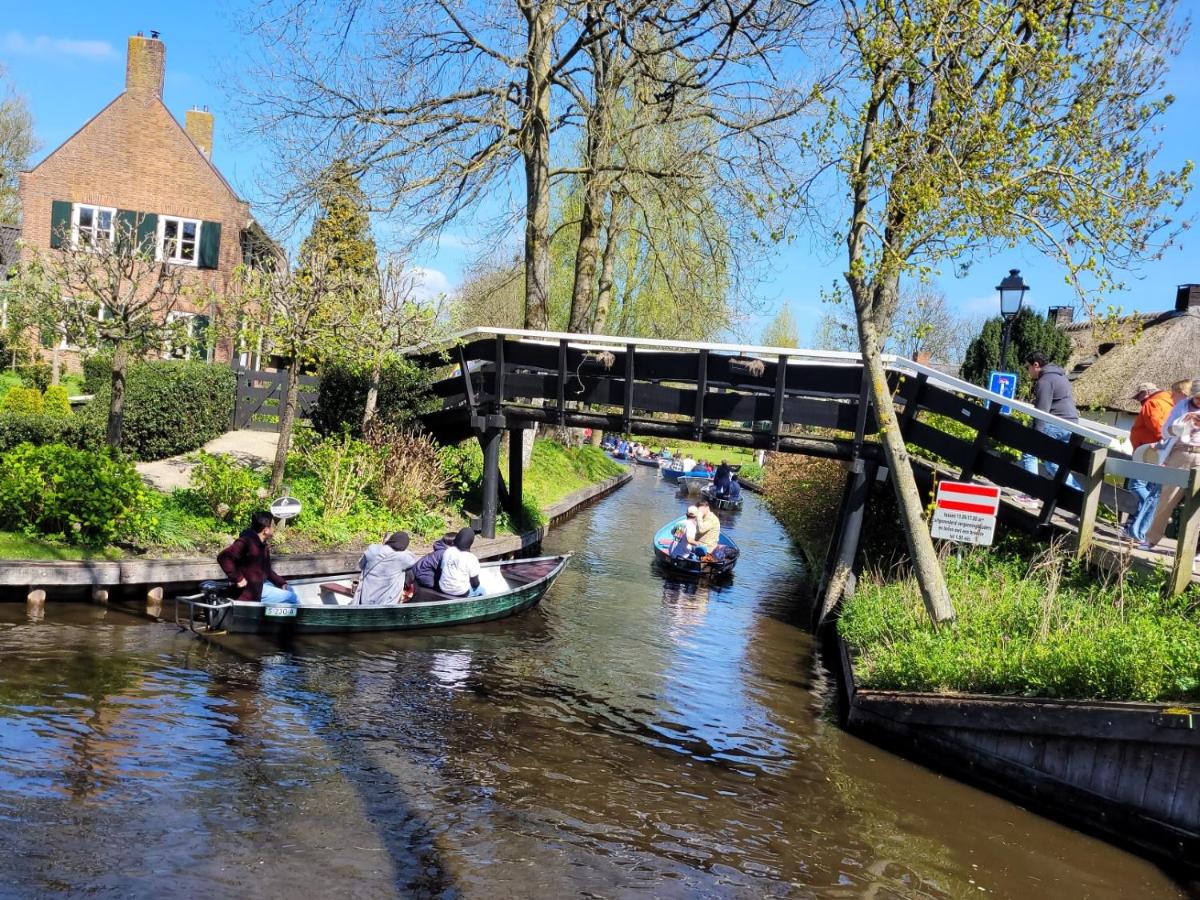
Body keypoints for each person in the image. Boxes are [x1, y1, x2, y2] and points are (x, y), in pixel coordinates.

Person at [1142, 384, 1200, 551]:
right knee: (1167, 499)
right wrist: (1179, 426)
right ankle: (1151, 538)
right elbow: (1165, 431)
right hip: (1180, 452)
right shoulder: (1182, 406)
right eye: (1197, 398)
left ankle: (1194, 549)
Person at [1020, 351, 1082, 491]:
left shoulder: (1045, 380)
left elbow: (1042, 412)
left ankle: (1032, 494)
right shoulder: (1060, 376)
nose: (1028, 371)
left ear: (1036, 365)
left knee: (1029, 452)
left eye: (1028, 367)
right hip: (1070, 425)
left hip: (1057, 423)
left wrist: (1036, 434)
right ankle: (1081, 497)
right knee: (1053, 464)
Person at [1122, 382, 1176, 543]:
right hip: (1158, 455)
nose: (1138, 401)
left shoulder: (1152, 403)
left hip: (1147, 454)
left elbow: (1159, 430)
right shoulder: (1169, 404)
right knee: (1150, 490)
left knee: (1136, 486)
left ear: (1146, 393)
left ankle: (1154, 513)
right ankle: (1137, 527)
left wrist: (1161, 448)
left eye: (1139, 397)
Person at [217, 510, 298, 604]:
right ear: (266, 530)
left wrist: (281, 583)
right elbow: (224, 557)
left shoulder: (263, 545)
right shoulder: (245, 542)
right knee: (291, 597)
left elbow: (267, 571)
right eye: (273, 525)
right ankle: (303, 617)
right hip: (250, 591)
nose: (274, 528)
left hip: (261, 585)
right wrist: (238, 578)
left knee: (290, 589)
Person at [354, 531, 417, 606]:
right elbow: (413, 559)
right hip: (386, 604)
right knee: (404, 571)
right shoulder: (401, 558)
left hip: (363, 600)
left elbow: (361, 565)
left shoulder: (372, 550)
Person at [439, 527, 485, 597]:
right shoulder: (471, 558)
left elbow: (442, 569)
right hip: (461, 592)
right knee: (482, 590)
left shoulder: (448, 551)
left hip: (443, 588)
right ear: (470, 542)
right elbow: (475, 583)